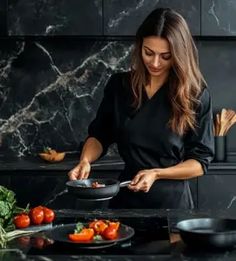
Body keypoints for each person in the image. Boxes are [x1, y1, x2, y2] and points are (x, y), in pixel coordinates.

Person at [68, 8, 214, 209]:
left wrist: (156, 173)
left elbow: (200, 162)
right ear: (140, 47)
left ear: (180, 55)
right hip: (126, 200)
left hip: (172, 206)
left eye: (165, 56)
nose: (155, 63)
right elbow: (100, 135)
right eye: (148, 53)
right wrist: (85, 160)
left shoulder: (195, 94)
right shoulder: (120, 86)